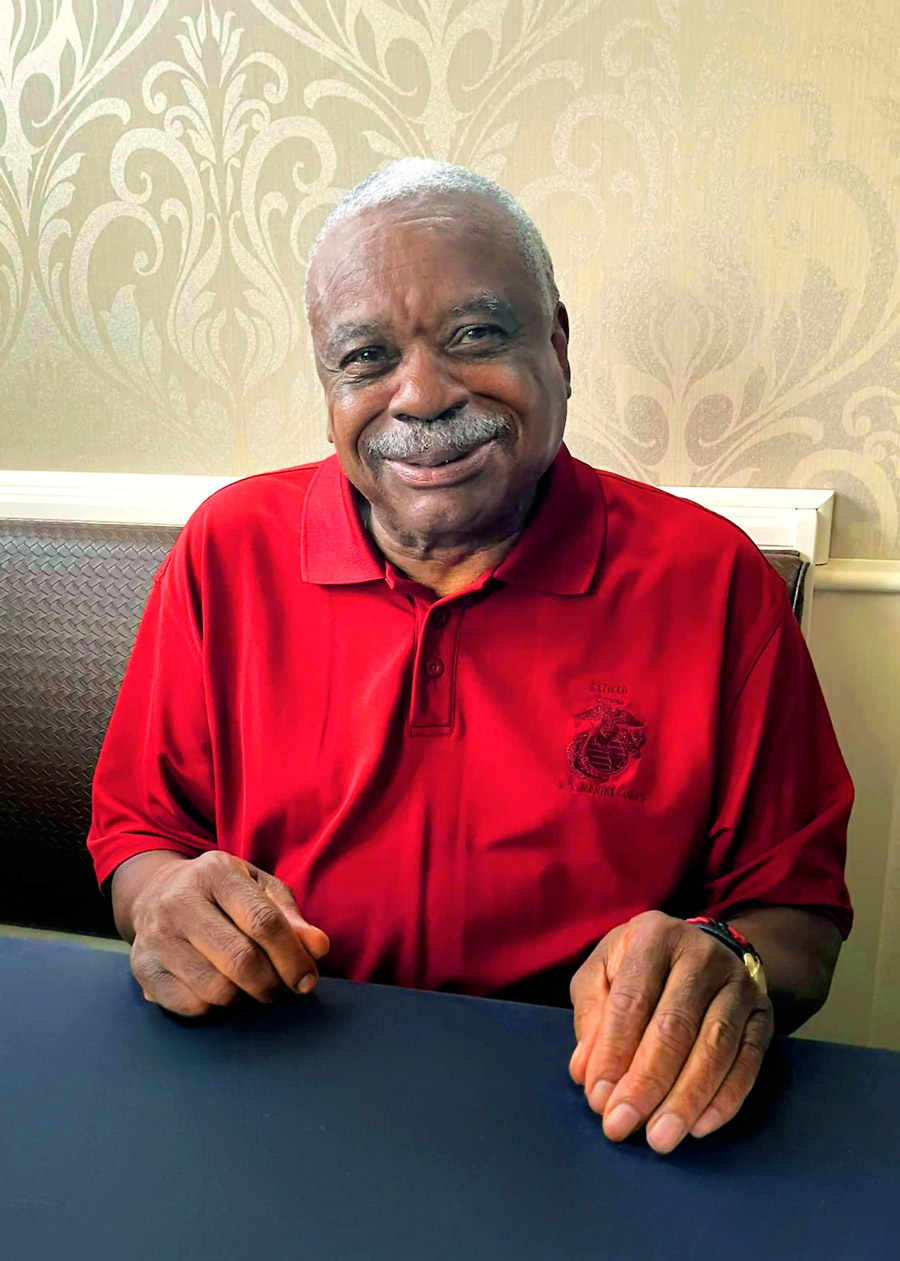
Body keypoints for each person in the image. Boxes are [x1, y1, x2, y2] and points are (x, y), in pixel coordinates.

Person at [88, 158, 852, 1156]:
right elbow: (137, 830)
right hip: (263, 1090)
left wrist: (728, 964)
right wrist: (163, 903)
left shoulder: (714, 581)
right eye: (365, 356)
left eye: (476, 337)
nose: (422, 395)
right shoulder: (224, 550)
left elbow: (796, 911)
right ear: (327, 382)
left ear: (559, 346)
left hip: (599, 1111)